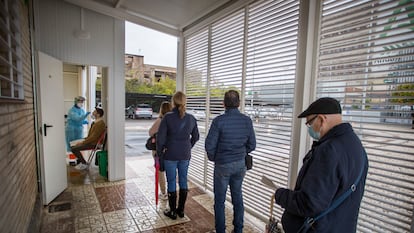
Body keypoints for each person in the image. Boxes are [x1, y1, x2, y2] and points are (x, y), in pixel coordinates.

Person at [270, 97, 368, 233]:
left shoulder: (329, 150)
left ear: (321, 119)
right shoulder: (355, 144)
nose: (310, 128)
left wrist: (280, 195)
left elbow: (309, 203)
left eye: (310, 123)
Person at [205, 90, 256, 233]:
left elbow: (209, 146)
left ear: (224, 104)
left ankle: (220, 230)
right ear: (239, 103)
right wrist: (241, 152)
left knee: (219, 201)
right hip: (240, 165)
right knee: (237, 197)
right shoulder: (247, 121)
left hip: (223, 165)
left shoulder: (218, 121)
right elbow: (252, 145)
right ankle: (238, 229)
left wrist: (215, 157)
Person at [156, 91, 200, 220]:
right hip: (185, 154)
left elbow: (161, 139)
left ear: (173, 102)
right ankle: (181, 211)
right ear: (185, 102)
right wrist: (188, 146)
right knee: (183, 180)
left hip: (170, 154)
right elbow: (196, 137)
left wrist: (160, 153)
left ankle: (173, 212)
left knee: (171, 181)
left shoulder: (167, 117)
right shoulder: (191, 118)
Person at [149, 101, 172, 200]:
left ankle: (163, 193)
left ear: (161, 109)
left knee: (160, 171)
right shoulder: (173, 119)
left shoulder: (160, 120)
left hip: (159, 150)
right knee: (170, 170)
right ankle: (171, 192)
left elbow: (150, 132)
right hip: (170, 149)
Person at [71, 105, 106, 170]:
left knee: (74, 149)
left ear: (98, 115)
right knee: (72, 145)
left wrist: (82, 143)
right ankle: (81, 162)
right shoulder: (96, 122)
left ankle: (84, 163)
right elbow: (90, 136)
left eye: (94, 112)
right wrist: (83, 140)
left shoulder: (100, 124)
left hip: (94, 144)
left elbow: (93, 137)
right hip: (91, 142)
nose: (93, 113)